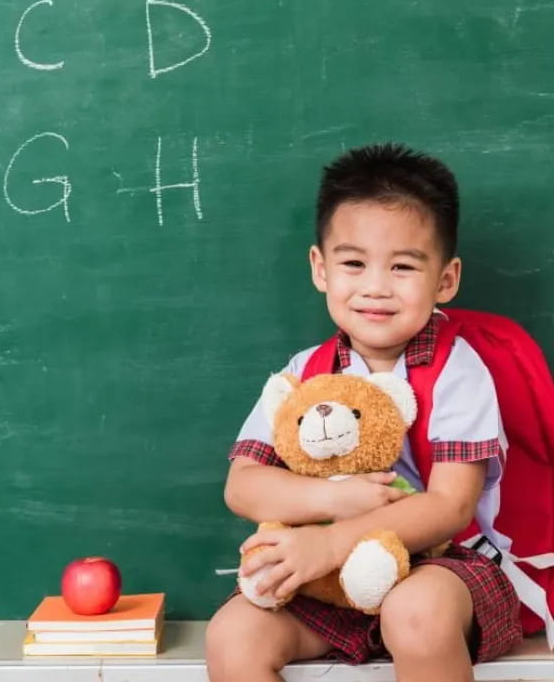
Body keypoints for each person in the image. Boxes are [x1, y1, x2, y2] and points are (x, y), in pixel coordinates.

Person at [205, 143, 523, 682]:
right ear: (320, 268)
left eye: (403, 267)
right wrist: (330, 504)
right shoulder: (304, 373)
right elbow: (244, 485)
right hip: (324, 578)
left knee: (415, 614)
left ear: (445, 280)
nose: (376, 287)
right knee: (231, 636)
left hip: (440, 569)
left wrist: (333, 539)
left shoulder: (457, 369)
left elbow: (449, 505)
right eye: (353, 263)